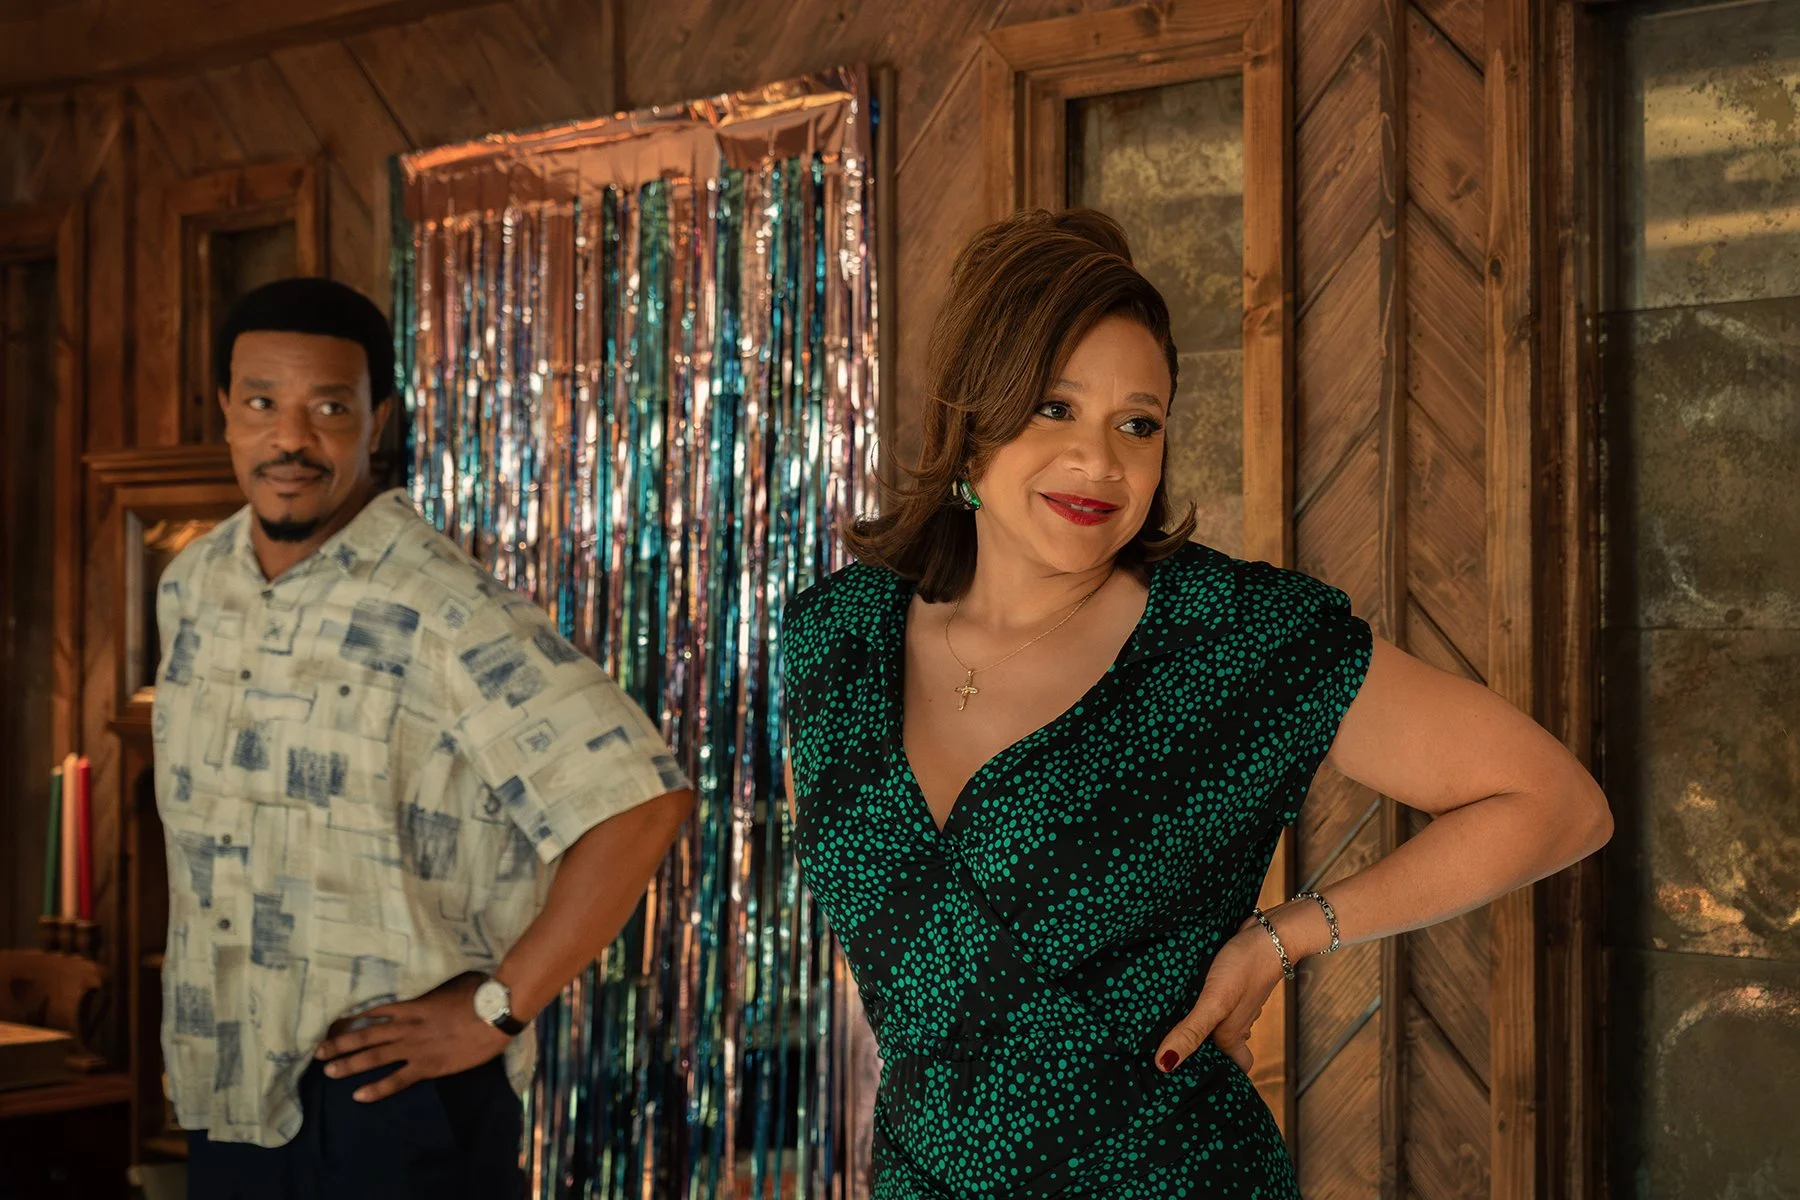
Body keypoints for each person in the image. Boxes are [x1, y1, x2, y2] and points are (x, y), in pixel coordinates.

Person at [779, 209, 1612, 1197]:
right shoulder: (836, 637)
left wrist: (1284, 937)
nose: (1102, 462)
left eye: (1139, 424)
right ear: (972, 422)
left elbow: (1557, 804)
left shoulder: (1233, 639)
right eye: (1055, 408)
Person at [153, 277, 694, 1199]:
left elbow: (642, 801)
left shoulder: (438, 603)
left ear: (378, 420)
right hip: (227, 1084)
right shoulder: (193, 584)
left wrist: (496, 1011)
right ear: (226, 413)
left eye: (329, 408)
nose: (291, 439)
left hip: (389, 1101)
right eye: (262, 404)